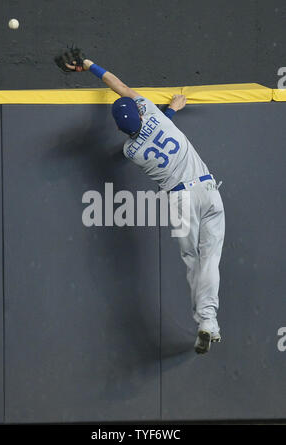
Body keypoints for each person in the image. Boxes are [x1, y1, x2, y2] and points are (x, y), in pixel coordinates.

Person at [66, 58, 225, 354]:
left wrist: (168, 114)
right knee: (210, 259)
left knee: (194, 261)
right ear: (140, 113)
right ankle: (209, 321)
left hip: (180, 201)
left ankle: (207, 321)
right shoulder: (155, 114)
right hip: (207, 189)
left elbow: (141, 132)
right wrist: (89, 65)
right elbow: (121, 87)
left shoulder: (130, 150)